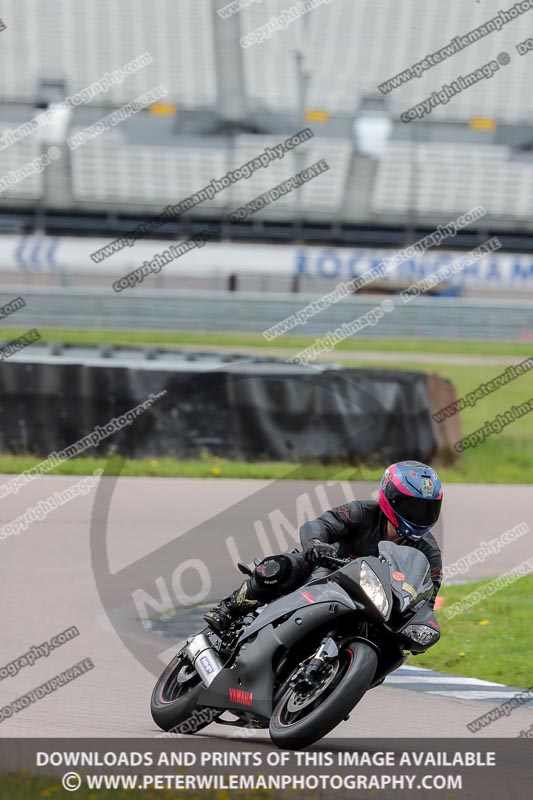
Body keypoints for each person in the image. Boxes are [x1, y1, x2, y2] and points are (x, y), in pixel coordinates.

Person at [203, 460, 443, 634]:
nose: (421, 515)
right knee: (280, 567)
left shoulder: (429, 551)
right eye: (414, 506)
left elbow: (427, 596)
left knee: (395, 649)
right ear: (391, 498)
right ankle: (231, 607)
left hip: (371, 603)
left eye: (428, 508)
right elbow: (320, 525)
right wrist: (316, 545)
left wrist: (419, 623)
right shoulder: (363, 512)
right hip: (327, 570)